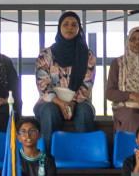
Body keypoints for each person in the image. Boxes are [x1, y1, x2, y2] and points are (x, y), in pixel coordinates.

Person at [33, 11, 97, 150]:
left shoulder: (87, 54)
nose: (70, 28)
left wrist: (72, 103)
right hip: (49, 101)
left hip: (78, 101)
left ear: (79, 29)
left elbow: (87, 83)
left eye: (74, 25)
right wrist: (60, 103)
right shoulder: (46, 54)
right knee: (50, 111)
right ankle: (48, 158)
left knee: (86, 111)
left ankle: (86, 155)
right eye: (66, 24)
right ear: (59, 27)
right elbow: (42, 83)